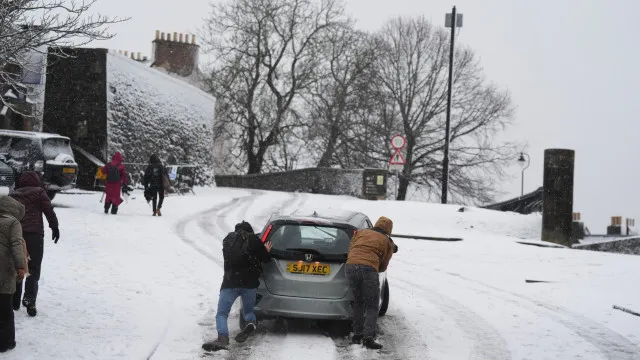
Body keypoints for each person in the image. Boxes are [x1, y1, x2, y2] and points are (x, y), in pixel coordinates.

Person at [202, 221, 273, 352]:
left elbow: (230, 258)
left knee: (222, 314)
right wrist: (265, 250)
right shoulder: (253, 239)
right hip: (249, 284)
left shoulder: (228, 239)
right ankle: (250, 323)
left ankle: (222, 338)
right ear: (250, 231)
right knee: (248, 312)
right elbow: (265, 259)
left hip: (230, 283)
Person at [9, 172, 60, 317]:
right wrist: (54, 227)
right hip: (35, 236)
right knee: (33, 268)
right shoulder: (39, 192)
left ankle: (14, 301)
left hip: (17, 235)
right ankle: (30, 300)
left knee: (17, 266)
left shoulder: (13, 195)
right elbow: (48, 210)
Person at [346, 216, 396, 350]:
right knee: (372, 305)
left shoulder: (361, 233)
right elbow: (384, 265)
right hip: (368, 269)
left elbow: (350, 249)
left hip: (350, 267)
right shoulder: (387, 241)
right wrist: (373, 265)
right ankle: (368, 338)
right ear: (389, 229)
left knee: (358, 301)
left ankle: (356, 335)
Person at [0, 195, 26, 353]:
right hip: (5, 269)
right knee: (5, 308)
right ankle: (6, 342)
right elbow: (17, 244)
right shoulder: (13, 222)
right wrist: (20, 266)